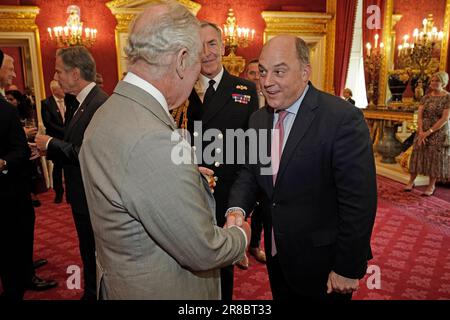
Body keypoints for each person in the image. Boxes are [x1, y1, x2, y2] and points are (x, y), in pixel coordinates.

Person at [78, 0, 250, 300]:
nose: (198, 75)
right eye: (197, 63)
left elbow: (133, 178)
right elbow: (204, 250)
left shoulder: (108, 111)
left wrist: (180, 176)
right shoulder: (152, 140)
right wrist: (240, 235)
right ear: (182, 59)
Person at [227, 35, 377, 300]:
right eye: (263, 72)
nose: (267, 82)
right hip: (277, 257)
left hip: (324, 264)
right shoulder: (258, 119)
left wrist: (347, 267)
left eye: (279, 72)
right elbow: (250, 172)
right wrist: (237, 209)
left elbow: (359, 202)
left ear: (305, 72)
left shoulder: (342, 119)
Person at [186, 21, 259, 299]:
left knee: (223, 264)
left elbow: (251, 148)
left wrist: (246, 200)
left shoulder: (245, 89)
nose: (206, 52)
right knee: (191, 256)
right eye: (199, 45)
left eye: (212, 43)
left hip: (227, 192)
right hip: (189, 188)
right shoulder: (181, 88)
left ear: (224, 45)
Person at [35, 46, 108, 300]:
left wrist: (51, 145)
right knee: (88, 251)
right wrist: (49, 147)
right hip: (82, 194)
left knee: (95, 252)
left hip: (92, 197)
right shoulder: (80, 103)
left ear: (75, 73)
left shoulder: (98, 104)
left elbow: (89, 154)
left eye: (58, 72)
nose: (55, 78)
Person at [0, 50, 56, 300]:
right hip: (9, 192)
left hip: (14, 187)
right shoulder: (6, 109)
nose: (13, 72)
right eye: (9, 67)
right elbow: (14, 152)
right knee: (13, 242)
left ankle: (24, 272)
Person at [404, 71, 450, 196]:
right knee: (417, 154)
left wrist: (429, 132)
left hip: (438, 131)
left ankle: (431, 185)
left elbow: (445, 118)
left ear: (444, 82)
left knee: (434, 158)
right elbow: (419, 115)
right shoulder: (426, 97)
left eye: (437, 81)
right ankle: (411, 181)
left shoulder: (447, 97)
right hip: (422, 130)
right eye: (432, 81)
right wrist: (420, 131)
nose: (434, 83)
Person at [240, 59, 266, 267]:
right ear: (245, 75)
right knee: (241, 204)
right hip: (244, 158)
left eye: (260, 72)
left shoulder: (274, 97)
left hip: (267, 159)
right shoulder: (240, 98)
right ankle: (239, 246)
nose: (256, 77)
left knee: (263, 207)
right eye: (251, 73)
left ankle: (255, 244)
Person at [41, 80, 66, 203]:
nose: (64, 90)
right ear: (55, 90)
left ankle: (71, 193)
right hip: (55, 140)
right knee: (58, 167)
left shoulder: (70, 101)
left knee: (69, 167)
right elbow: (48, 123)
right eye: (61, 88)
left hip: (68, 141)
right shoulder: (46, 103)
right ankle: (59, 193)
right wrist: (65, 131)